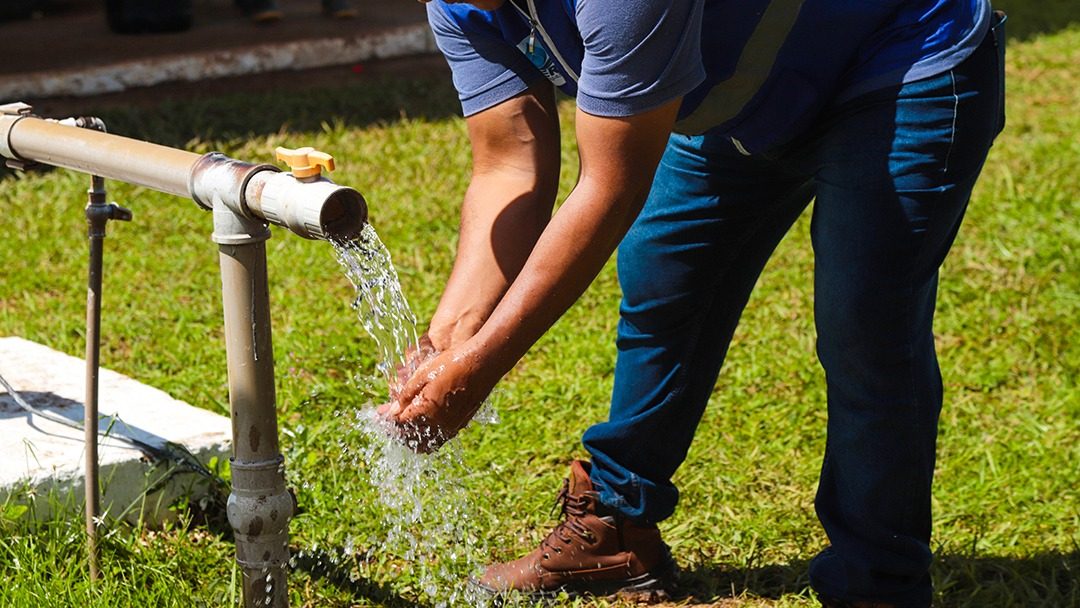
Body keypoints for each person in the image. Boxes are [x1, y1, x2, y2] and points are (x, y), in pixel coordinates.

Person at [383, 0, 1007, 606]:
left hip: (899, 58)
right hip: (743, 101)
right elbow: (508, 167)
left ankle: (879, 585)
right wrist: (449, 343)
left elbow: (609, 187)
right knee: (663, 281)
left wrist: (484, 365)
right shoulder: (459, 5)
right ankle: (618, 531)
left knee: (865, 329)